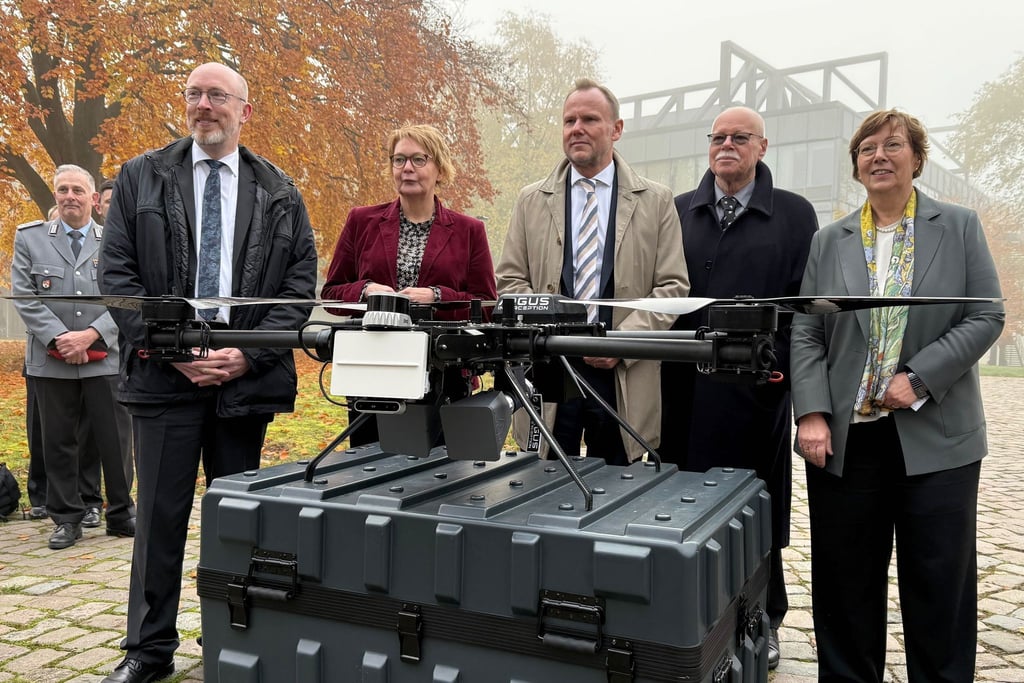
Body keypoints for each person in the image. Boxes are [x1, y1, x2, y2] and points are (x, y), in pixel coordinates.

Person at [98, 62, 318, 683]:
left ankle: (237, 646)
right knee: (159, 520)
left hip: (242, 383)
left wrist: (249, 353)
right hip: (163, 381)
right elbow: (116, 279)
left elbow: (301, 286)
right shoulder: (142, 177)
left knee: (238, 523)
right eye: (194, 94)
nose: (204, 105)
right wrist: (173, 352)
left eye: (218, 96)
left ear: (245, 110)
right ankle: (147, 651)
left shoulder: (279, 190)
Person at [790, 109, 1004, 682]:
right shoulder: (828, 240)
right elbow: (807, 330)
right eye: (866, 149)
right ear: (856, 165)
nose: (879, 156)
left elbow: (986, 315)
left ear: (917, 158)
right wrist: (811, 412)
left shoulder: (957, 226)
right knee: (845, 585)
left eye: (893, 145)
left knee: (939, 586)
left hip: (937, 438)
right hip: (847, 439)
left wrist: (920, 378)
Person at [659, 106, 818, 668]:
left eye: (740, 137)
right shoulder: (678, 211)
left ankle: (763, 618)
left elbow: (805, 307)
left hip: (758, 394)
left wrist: (783, 375)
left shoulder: (796, 216)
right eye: (718, 137)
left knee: (757, 509)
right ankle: (693, 616)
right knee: (684, 504)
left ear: (762, 147)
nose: (727, 145)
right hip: (685, 392)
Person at [496, 79, 689, 465]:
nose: (576, 129)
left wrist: (619, 342)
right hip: (551, 371)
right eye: (569, 121)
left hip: (622, 375)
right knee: (542, 488)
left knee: (619, 495)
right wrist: (548, 333)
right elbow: (510, 283)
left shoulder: (656, 200)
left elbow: (673, 287)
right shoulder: (531, 200)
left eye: (589, 119)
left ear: (616, 129)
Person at [321, 123, 497, 445]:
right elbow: (331, 294)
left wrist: (437, 296)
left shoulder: (469, 231)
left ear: (440, 169)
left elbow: (485, 305)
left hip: (443, 377)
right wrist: (364, 291)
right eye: (399, 160)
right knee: (368, 471)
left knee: (437, 477)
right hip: (370, 372)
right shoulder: (361, 221)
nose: (407, 169)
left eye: (419, 159)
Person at [11, 165, 136, 549]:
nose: (70, 196)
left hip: (104, 356)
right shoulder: (31, 239)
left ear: (93, 198)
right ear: (55, 196)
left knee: (115, 439)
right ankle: (66, 519)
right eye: (63, 189)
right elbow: (24, 295)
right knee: (58, 441)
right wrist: (62, 338)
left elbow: (127, 295)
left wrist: (92, 334)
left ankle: (120, 512)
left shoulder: (117, 239)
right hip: (52, 359)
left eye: (78, 190)